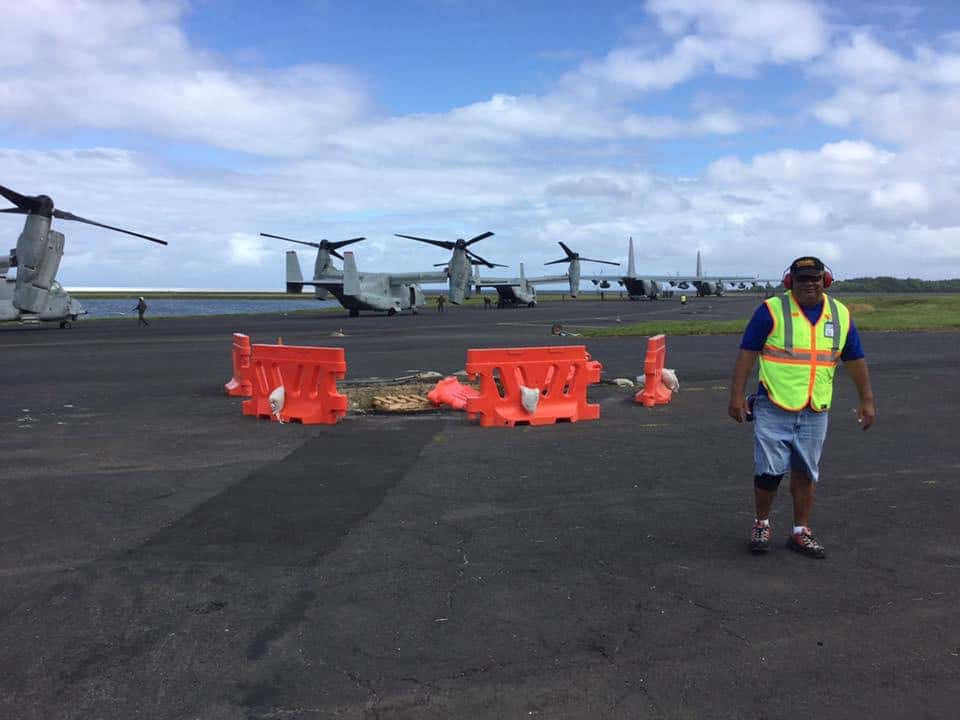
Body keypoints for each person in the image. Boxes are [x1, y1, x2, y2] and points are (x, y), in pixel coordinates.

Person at [728, 256, 875, 559]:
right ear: (789, 282)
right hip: (774, 404)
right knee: (769, 472)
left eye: (815, 279)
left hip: (815, 407)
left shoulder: (840, 314)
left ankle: (800, 531)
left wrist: (867, 399)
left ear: (826, 281)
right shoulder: (771, 310)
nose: (809, 284)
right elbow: (747, 353)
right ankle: (761, 523)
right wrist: (737, 396)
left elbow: (855, 358)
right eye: (802, 280)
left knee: (806, 472)